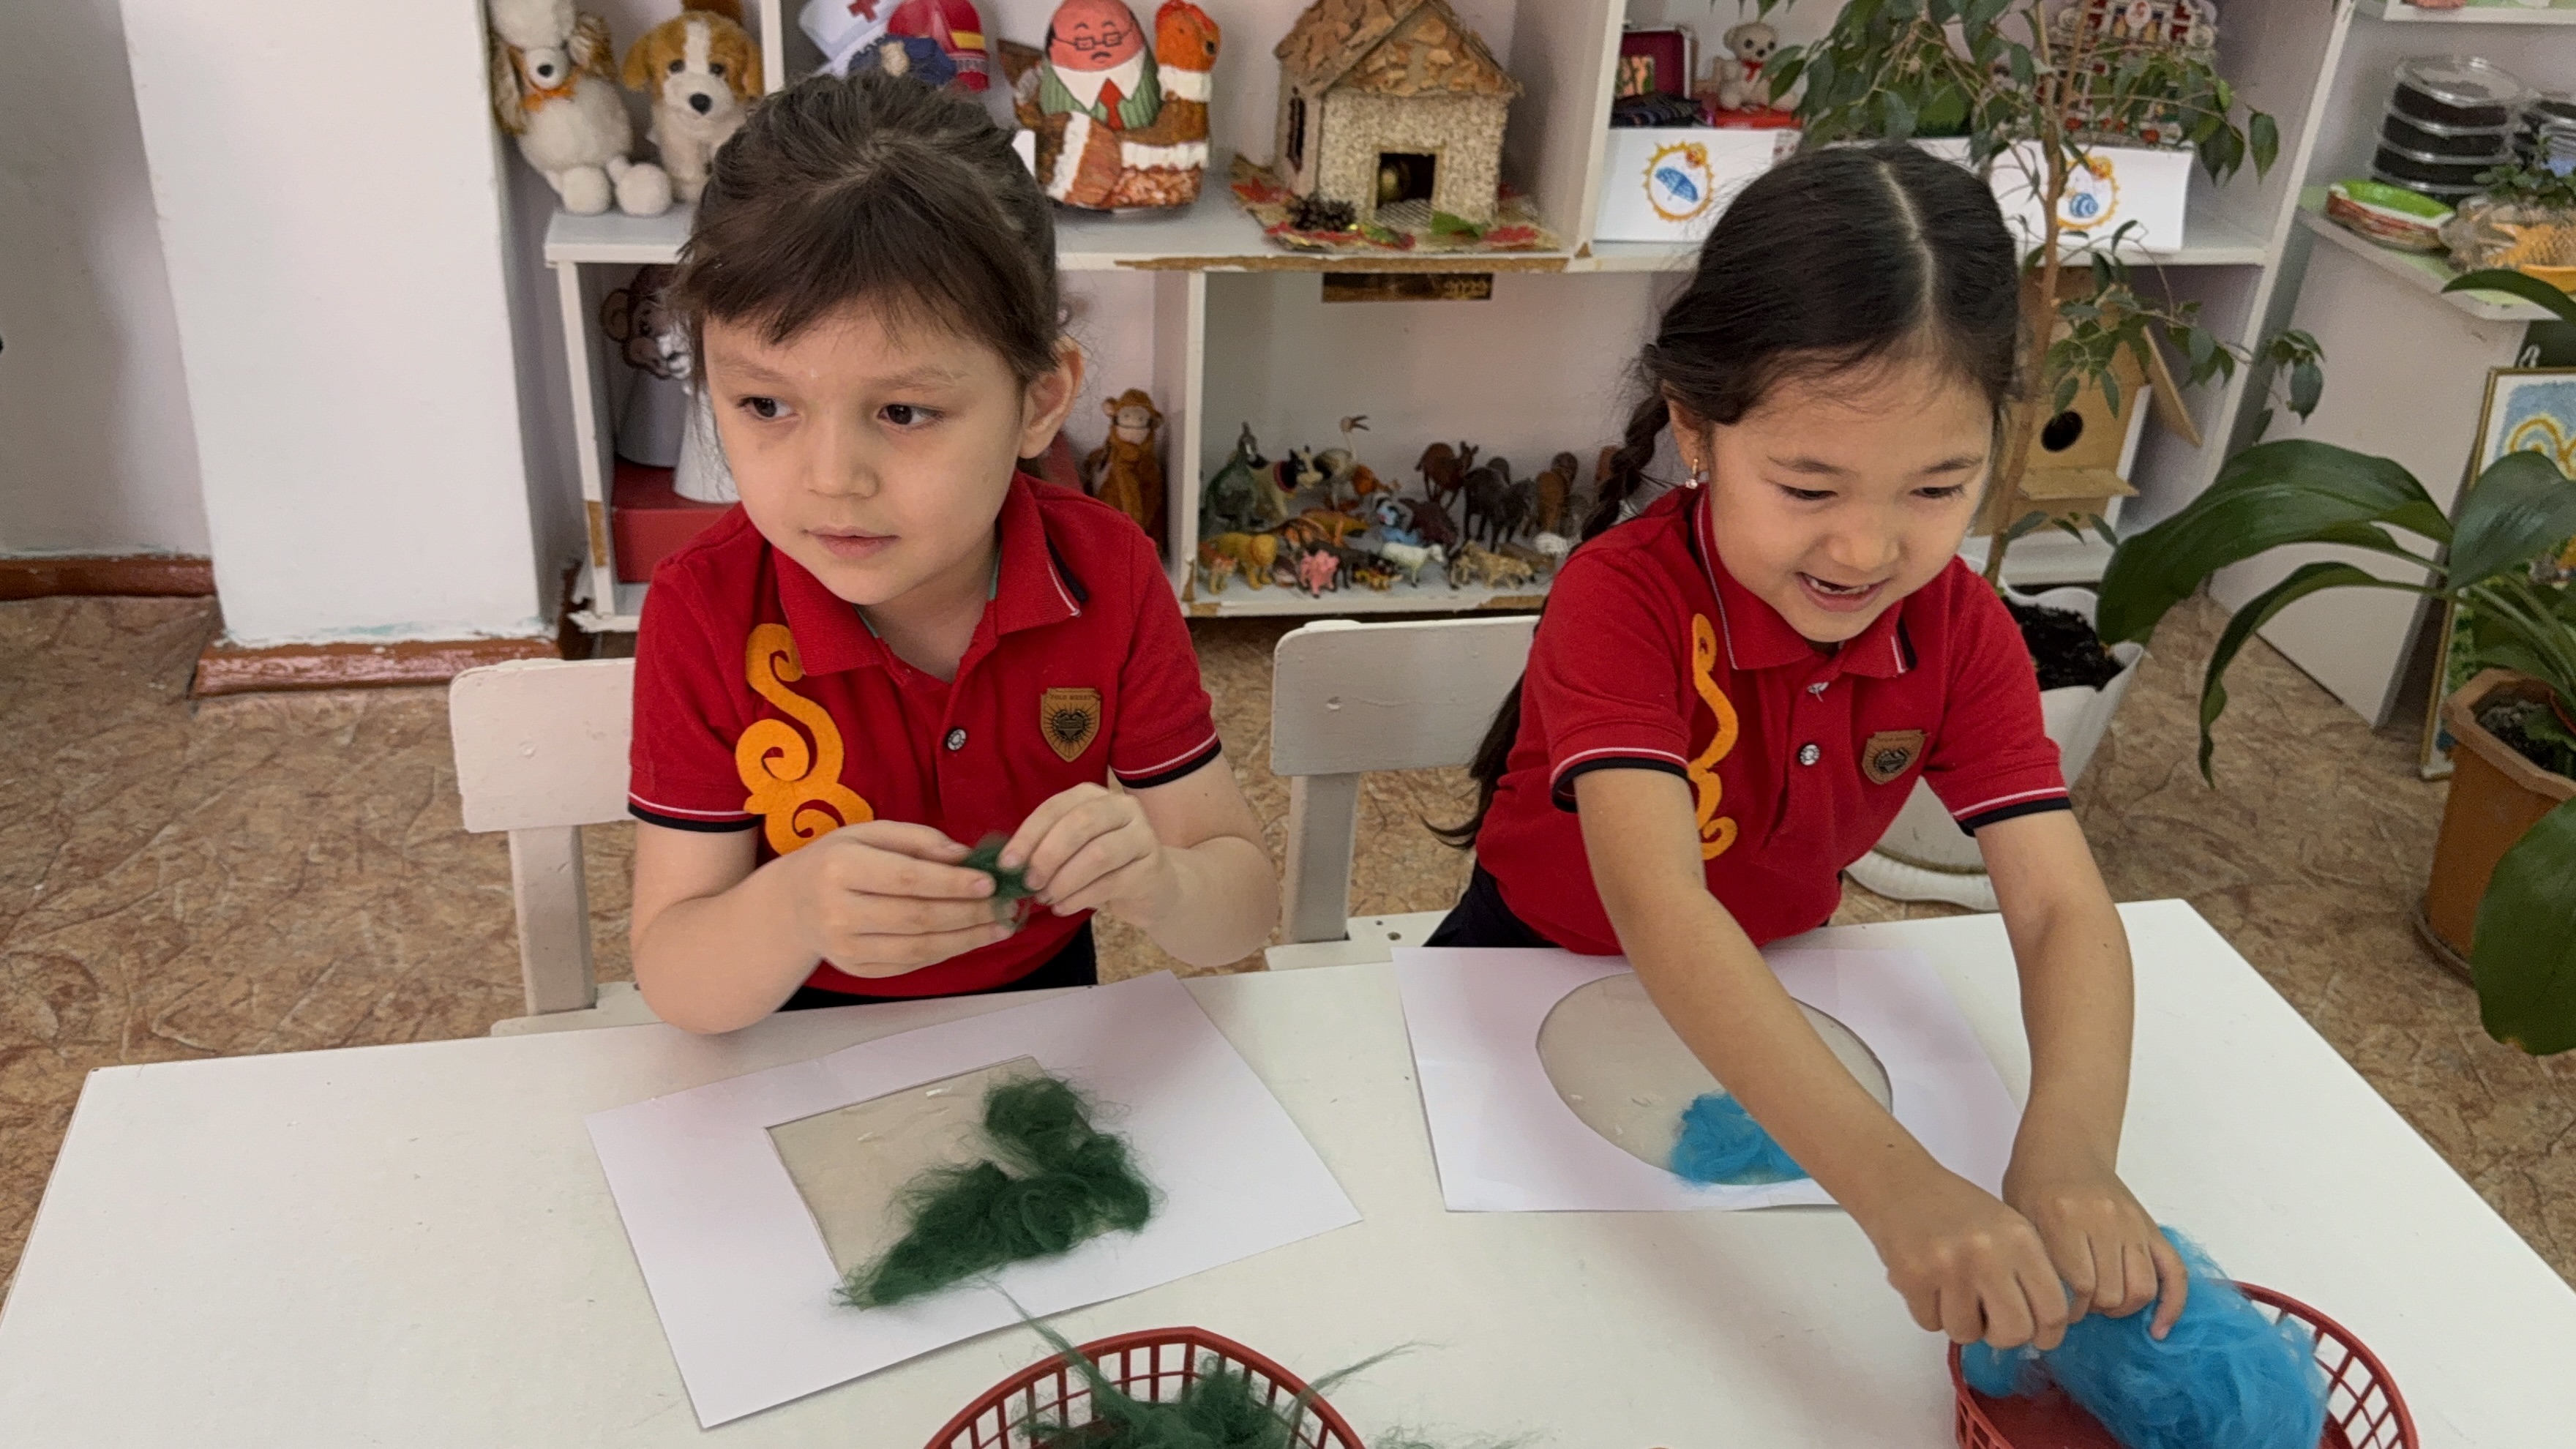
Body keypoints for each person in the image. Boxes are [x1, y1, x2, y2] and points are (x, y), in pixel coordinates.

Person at [1429, 143, 2186, 1354]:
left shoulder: (1960, 629)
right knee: (1524, 1308)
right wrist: (1898, 1189)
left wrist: (2072, 1147)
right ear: (1696, 428)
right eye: (1808, 487)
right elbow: (1663, 908)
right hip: (1526, 966)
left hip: (1774, 987)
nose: (1866, 551)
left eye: (1936, 489)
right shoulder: (1623, 600)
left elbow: (2058, 907)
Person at [626, 71, 1274, 1034]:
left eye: (903, 411)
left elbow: (1242, 910)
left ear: (1041, 401)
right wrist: (797, 908)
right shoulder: (706, 608)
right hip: (790, 1021)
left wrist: (1165, 883)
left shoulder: (1108, 574)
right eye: (765, 404)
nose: (833, 478)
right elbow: (678, 980)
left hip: (1042, 1006)